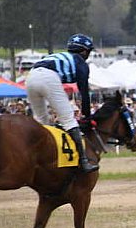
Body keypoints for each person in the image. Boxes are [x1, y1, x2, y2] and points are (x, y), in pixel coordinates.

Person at [26, 33, 99, 172]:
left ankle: (39, 160)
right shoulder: (80, 62)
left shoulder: (59, 56)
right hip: (48, 77)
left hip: (30, 77)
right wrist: (87, 116)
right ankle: (84, 162)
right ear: (84, 51)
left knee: (42, 122)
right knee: (68, 120)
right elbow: (84, 93)